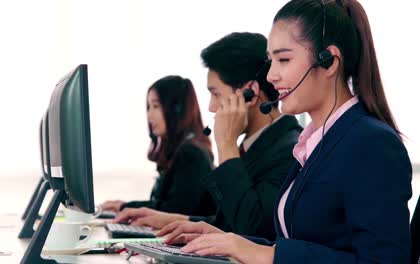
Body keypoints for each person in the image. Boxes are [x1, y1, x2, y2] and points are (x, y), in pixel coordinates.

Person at [155, 0, 413, 263]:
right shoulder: (314, 143)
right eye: (271, 61)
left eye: (284, 59)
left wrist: (263, 253)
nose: (271, 75)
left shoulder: (372, 143)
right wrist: (229, 240)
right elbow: (301, 243)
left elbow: (385, 261)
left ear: (329, 61)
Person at [114, 32, 302, 240]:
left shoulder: (290, 151)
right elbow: (227, 222)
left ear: (250, 93)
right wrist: (172, 220)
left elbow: (251, 229)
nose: (212, 107)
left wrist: (226, 144)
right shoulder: (255, 146)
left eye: (216, 94)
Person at [100, 75, 216, 216]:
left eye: (156, 106)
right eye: (149, 107)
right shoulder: (180, 151)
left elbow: (174, 211)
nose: (149, 115)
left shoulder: (191, 153)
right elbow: (164, 206)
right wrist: (124, 206)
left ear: (177, 109)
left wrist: (125, 207)